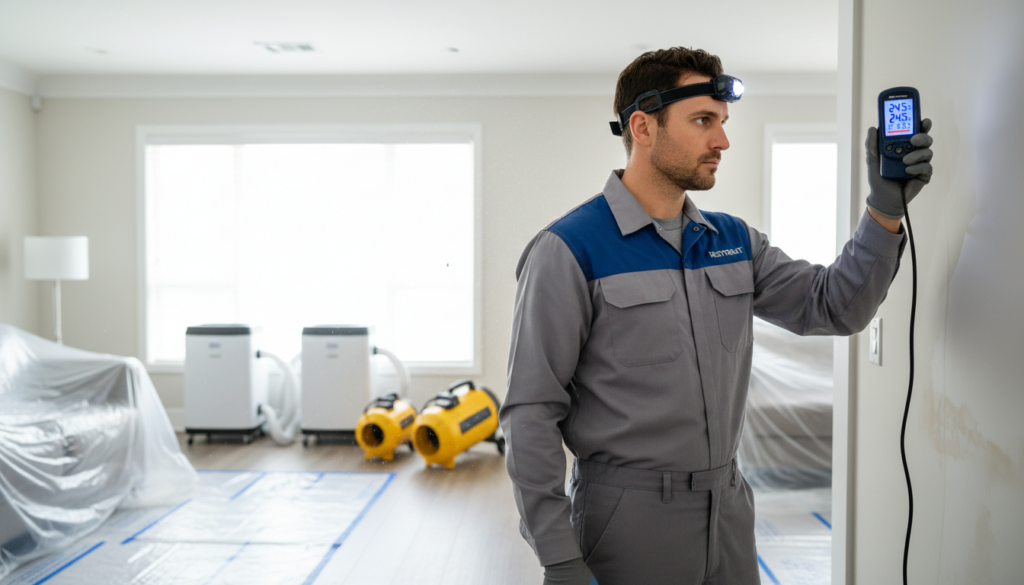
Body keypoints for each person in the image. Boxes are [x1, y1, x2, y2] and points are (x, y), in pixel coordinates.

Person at [499, 47, 933, 585]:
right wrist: (558, 554)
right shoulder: (568, 250)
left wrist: (884, 209)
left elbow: (834, 306)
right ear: (643, 127)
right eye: (704, 121)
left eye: (723, 122)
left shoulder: (733, 242)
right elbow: (530, 412)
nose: (722, 141)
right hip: (626, 520)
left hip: (729, 510)